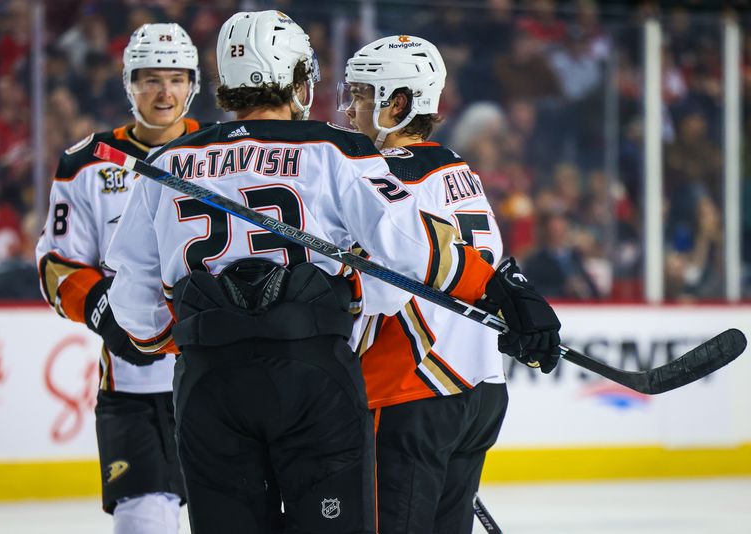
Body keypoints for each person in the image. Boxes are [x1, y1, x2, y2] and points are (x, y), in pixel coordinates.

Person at [104, 11, 561, 534]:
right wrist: (497, 285)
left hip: (209, 382)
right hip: (313, 375)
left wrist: (177, 336)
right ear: (298, 77)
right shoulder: (337, 149)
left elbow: (134, 304)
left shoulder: (166, 160)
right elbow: (410, 253)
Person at [339, 35, 557, 534]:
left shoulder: (377, 178)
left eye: (362, 96)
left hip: (411, 388)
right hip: (478, 387)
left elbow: (381, 291)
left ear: (397, 103)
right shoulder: (458, 169)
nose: (350, 110)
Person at [36, 23, 205, 534]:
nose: (164, 92)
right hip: (134, 391)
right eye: (150, 79)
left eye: (176, 79)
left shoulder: (225, 156)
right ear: (128, 83)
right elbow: (55, 265)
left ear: (193, 84)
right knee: (143, 523)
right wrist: (101, 308)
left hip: (218, 377)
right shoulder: (85, 164)